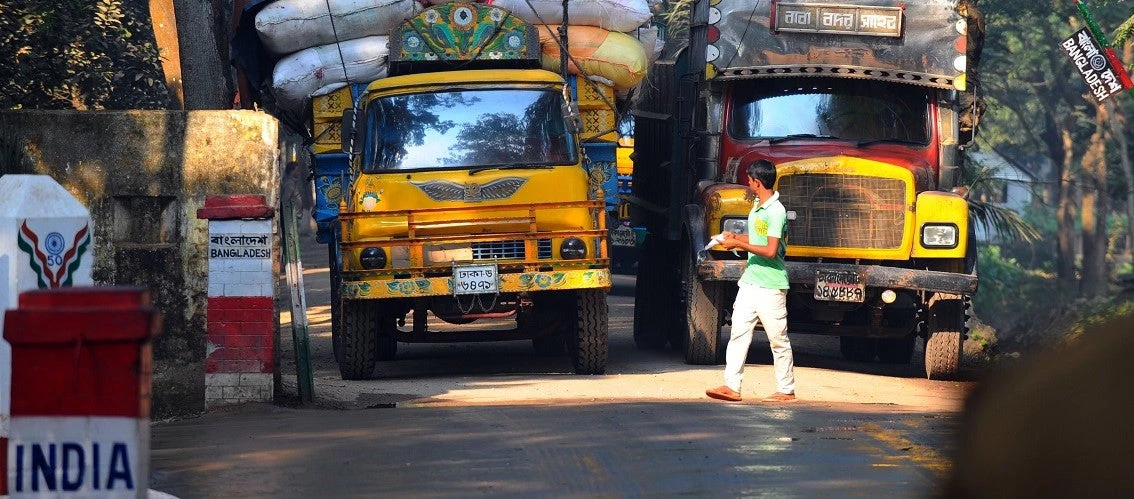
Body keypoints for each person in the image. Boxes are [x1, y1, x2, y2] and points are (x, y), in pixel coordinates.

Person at [705, 159, 795, 403]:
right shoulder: (758, 206)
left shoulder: (776, 211)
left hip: (771, 286)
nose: (747, 184)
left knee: (777, 339)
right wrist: (735, 236)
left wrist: (738, 244)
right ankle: (731, 386)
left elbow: (770, 250)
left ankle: (786, 389)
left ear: (757, 182)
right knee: (738, 333)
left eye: (749, 180)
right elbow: (757, 237)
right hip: (750, 281)